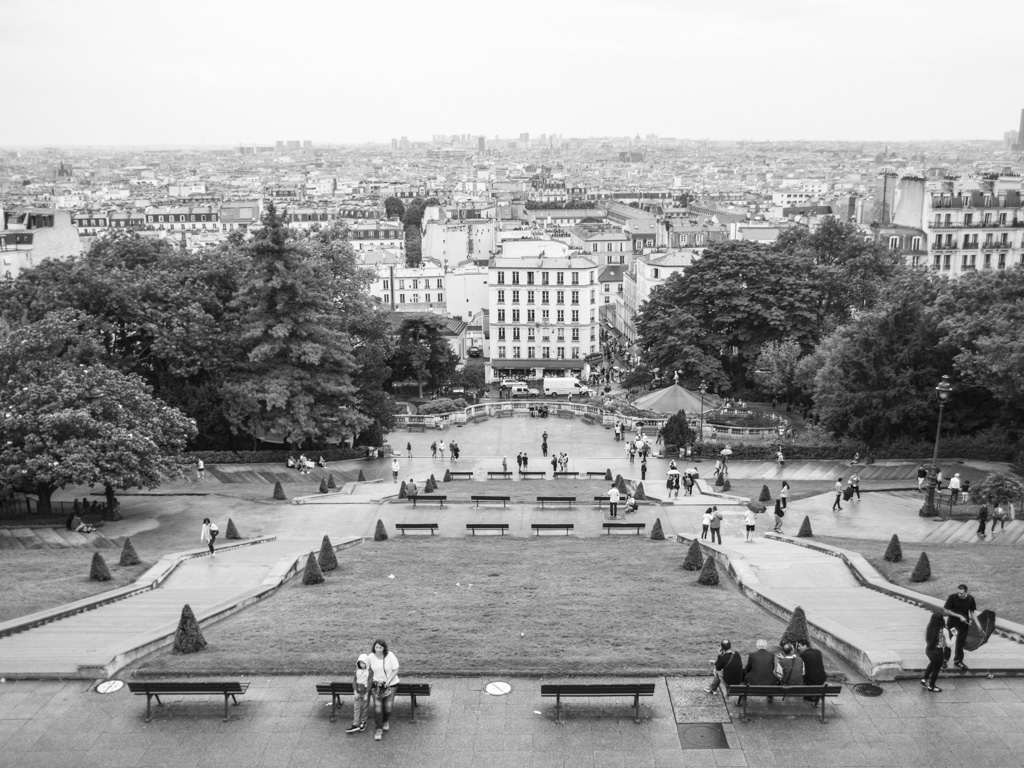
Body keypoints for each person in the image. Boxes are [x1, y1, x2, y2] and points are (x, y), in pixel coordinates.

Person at [367, 639, 400, 741]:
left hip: (390, 684)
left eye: (380, 648)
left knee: (388, 707)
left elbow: (396, 669)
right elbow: (365, 668)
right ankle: (378, 729)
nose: (378, 650)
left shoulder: (390, 655)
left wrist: (389, 680)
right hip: (376, 684)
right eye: (376, 647)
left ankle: (385, 721)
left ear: (384, 648)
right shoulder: (370, 657)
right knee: (378, 706)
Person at [942, 583, 979, 670]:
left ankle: (958, 661)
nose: (959, 594)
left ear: (966, 592)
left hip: (964, 625)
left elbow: (972, 612)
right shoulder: (952, 597)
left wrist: (978, 624)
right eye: (958, 592)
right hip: (952, 624)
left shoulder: (970, 599)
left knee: (960, 643)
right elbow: (946, 610)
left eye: (961, 593)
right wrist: (959, 616)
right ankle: (944, 659)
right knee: (948, 642)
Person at [922, 613, 952, 693]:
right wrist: (955, 636)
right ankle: (931, 686)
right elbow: (949, 645)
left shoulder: (929, 627)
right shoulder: (944, 630)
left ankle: (924, 679)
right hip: (938, 652)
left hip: (929, 650)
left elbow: (927, 639)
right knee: (936, 669)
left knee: (933, 662)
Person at [743, 639, 778, 703]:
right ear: (766, 646)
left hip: (755, 683)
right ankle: (770, 696)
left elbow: (748, 668)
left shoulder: (752, 655)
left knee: (745, 675)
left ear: (757, 646)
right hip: (769, 683)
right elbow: (772, 668)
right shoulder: (771, 655)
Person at [345, 654, 371, 733]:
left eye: (363, 663)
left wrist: (367, 694)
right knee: (356, 708)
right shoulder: (357, 671)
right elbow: (354, 681)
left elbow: (370, 683)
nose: (362, 665)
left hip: (365, 692)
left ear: (367, 663)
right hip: (358, 692)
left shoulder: (369, 672)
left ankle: (363, 722)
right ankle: (355, 724)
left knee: (364, 707)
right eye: (360, 663)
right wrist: (355, 691)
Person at [796, 640, 827, 704]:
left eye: (799, 646)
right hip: (822, 679)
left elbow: (798, 665)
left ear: (805, 646)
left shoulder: (803, 654)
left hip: (811, 680)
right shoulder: (818, 651)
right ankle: (814, 696)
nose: (798, 648)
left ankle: (809, 696)